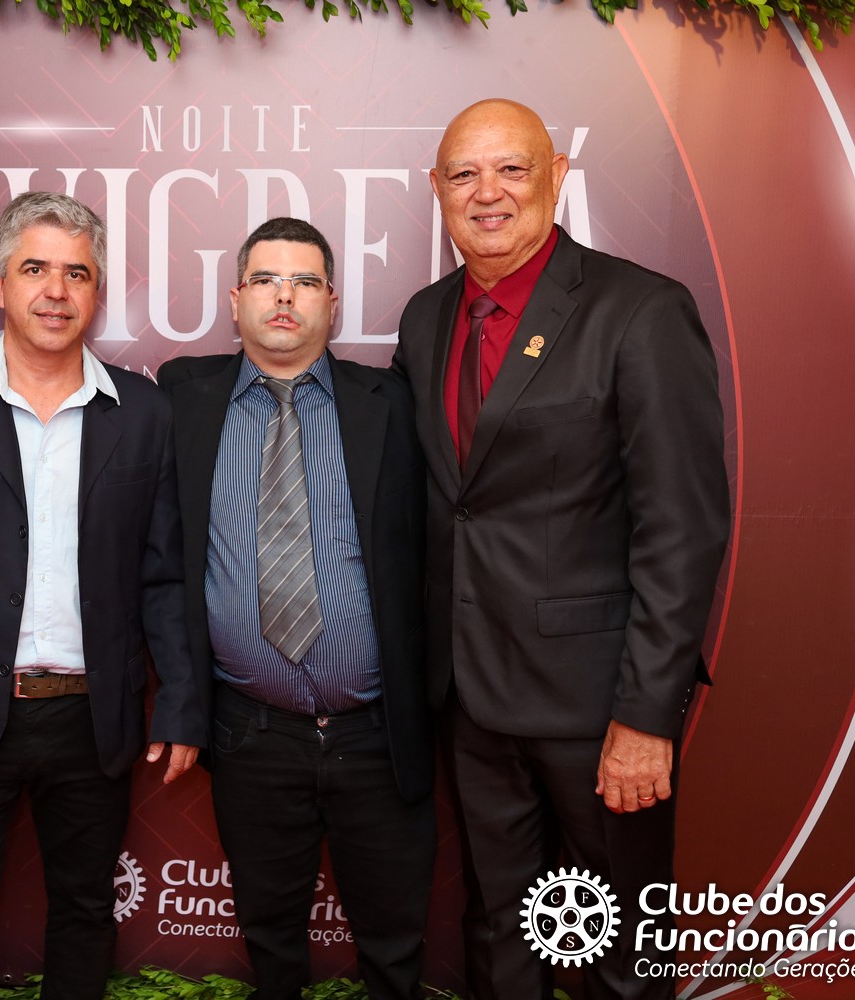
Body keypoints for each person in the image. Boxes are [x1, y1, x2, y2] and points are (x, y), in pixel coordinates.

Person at [392, 98, 730, 1000]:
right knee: (500, 936)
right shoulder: (425, 319)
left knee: (620, 957)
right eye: (464, 174)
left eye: (512, 168)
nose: (487, 193)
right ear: (436, 189)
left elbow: (682, 530)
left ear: (558, 176)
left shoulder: (641, 311)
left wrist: (646, 719)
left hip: (598, 712)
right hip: (469, 698)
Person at [0, 191, 207, 1000]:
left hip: (92, 722)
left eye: (76, 274)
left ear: (96, 290)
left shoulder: (144, 412)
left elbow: (165, 575)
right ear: (0, 282)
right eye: (35, 270)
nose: (56, 291)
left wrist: (182, 702)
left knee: (86, 919)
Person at [158, 217, 435, 1000]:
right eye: (267, 281)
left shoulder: (391, 405)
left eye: (306, 282)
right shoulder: (183, 399)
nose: (285, 297)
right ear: (236, 298)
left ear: (332, 303)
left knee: (394, 948)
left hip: (376, 734)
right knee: (271, 945)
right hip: (252, 733)